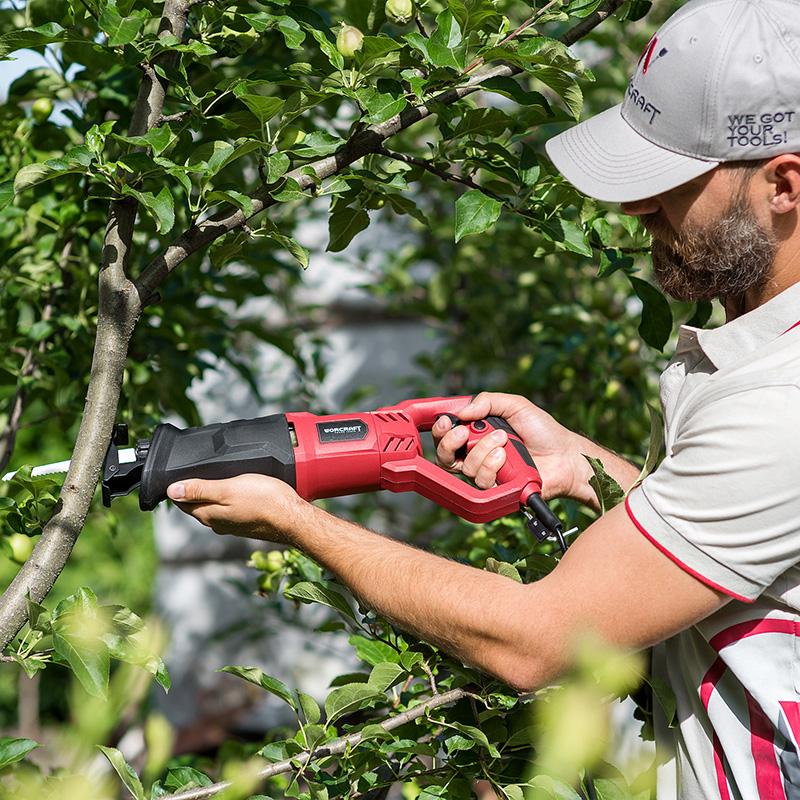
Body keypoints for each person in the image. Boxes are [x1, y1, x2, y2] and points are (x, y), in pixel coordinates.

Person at [164, 0, 800, 797]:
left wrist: (295, 522)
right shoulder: (760, 354)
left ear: (783, 184)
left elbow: (535, 640)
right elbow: (741, 545)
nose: (636, 210)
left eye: (667, 183)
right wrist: (581, 463)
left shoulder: (782, 401)